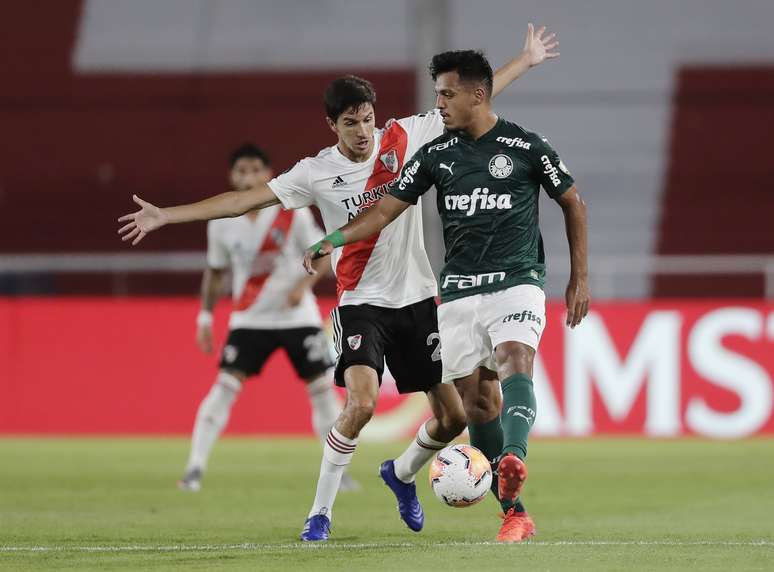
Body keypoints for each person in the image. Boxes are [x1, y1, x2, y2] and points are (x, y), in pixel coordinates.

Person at [117, 24, 560, 542]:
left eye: (368, 119)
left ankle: (400, 474)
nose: (363, 132)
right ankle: (319, 514)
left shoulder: (406, 137)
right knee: (362, 404)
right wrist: (167, 216)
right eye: (351, 123)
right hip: (361, 306)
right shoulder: (314, 172)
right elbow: (242, 201)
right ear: (332, 125)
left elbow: (473, 97)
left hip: (418, 300)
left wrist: (524, 60)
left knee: (453, 416)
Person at [303, 49, 589, 543]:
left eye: (446, 93)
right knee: (474, 405)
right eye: (437, 93)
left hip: (517, 279)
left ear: (478, 95)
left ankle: (514, 460)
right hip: (456, 291)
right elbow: (383, 212)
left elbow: (571, 201)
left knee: (516, 357)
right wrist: (333, 239)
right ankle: (510, 507)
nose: (438, 103)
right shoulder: (435, 155)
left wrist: (580, 277)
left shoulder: (526, 146)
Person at [178, 143, 358, 493]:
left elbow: (324, 252)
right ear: (232, 175)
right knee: (225, 387)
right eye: (241, 171)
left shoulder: (293, 213)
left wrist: (301, 285)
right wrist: (204, 317)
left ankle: (339, 472)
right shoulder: (221, 222)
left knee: (322, 392)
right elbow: (215, 272)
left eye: (254, 170)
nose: (247, 177)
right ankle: (195, 467)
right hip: (250, 319)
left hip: (297, 317)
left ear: (267, 174)